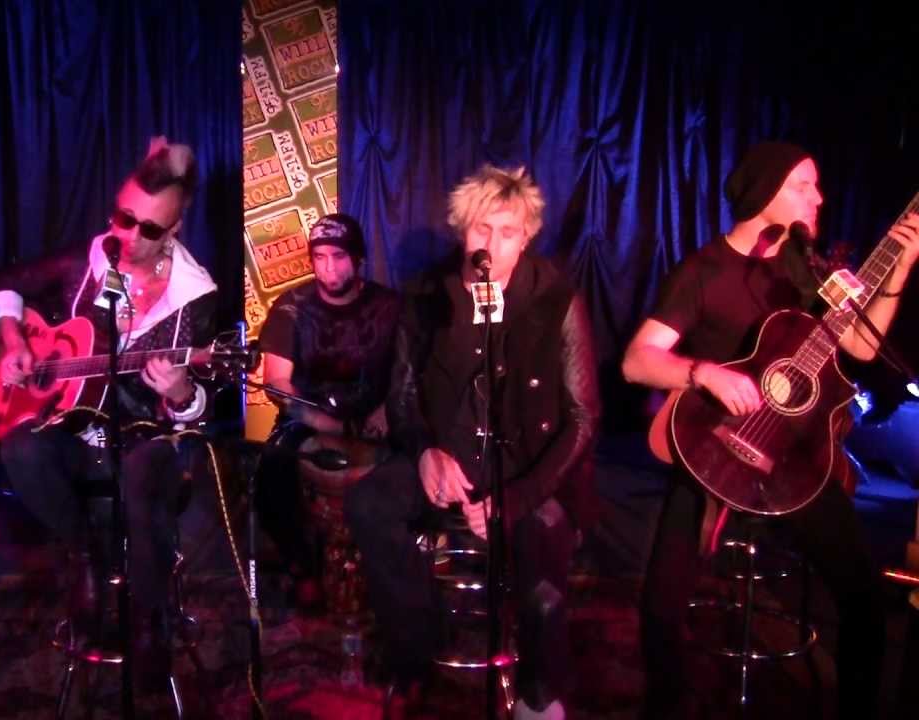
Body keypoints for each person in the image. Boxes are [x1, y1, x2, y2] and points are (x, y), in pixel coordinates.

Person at [622, 141, 919, 719]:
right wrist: (703, 372)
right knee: (662, 603)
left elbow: (860, 346)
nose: (819, 197)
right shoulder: (704, 271)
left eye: (817, 185)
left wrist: (899, 269)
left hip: (791, 458)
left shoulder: (809, 269)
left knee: (863, 598)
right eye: (803, 186)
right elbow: (637, 361)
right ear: (764, 194)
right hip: (715, 446)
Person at [346, 164, 600, 719]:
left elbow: (582, 417)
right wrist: (425, 453)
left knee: (544, 550)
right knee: (369, 503)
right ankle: (419, 645)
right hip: (449, 458)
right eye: (482, 229)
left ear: (526, 238)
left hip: (527, 469)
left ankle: (539, 691)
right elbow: (402, 395)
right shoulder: (428, 294)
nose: (493, 244)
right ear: (462, 229)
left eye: (508, 232)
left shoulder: (555, 298)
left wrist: (522, 497)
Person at [0, 136, 217, 682]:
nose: (128, 237)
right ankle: (87, 554)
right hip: (75, 433)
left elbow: (198, 412)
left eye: (148, 229)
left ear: (174, 231)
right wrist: (14, 341)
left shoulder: (195, 297)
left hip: (146, 440)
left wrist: (180, 391)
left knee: (142, 471)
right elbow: (3, 284)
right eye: (123, 218)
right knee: (21, 447)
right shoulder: (89, 260)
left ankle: (149, 615)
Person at [256, 213, 400, 610]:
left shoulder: (389, 307)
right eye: (319, 258)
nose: (328, 268)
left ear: (358, 259)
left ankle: (392, 569)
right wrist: (325, 423)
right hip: (309, 419)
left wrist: (387, 411)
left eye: (338, 256)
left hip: (375, 419)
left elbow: (410, 372)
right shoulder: (292, 307)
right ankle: (302, 569)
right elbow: (277, 382)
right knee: (270, 470)